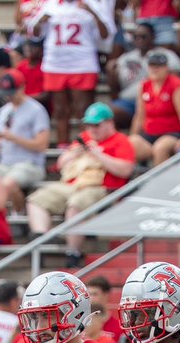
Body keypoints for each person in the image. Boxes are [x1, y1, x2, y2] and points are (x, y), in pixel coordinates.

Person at [28, 102, 135, 271]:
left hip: (100, 188)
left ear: (109, 123)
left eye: (96, 125)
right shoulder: (84, 138)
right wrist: (73, 153)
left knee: (76, 204)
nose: (92, 129)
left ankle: (73, 252)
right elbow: (60, 164)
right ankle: (42, 238)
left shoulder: (120, 141)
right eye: (89, 125)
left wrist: (99, 155)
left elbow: (125, 170)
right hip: (73, 184)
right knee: (36, 199)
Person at [36, 0, 108, 145]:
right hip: (55, 64)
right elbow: (35, 33)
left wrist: (92, 13)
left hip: (82, 64)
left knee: (83, 111)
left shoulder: (91, 4)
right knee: (60, 110)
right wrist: (41, 21)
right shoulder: (50, 4)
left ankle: (86, 146)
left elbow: (105, 34)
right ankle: (62, 146)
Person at [0, 71, 50, 213]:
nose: (8, 96)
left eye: (12, 92)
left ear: (22, 88)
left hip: (31, 164)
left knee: (7, 183)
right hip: (5, 163)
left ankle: (19, 213)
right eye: (6, 92)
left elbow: (42, 144)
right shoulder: (3, 111)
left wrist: (14, 138)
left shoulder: (36, 110)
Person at [111, 22, 180, 129]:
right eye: (135, 37)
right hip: (128, 101)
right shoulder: (126, 57)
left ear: (153, 37)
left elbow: (178, 80)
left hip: (156, 100)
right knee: (108, 113)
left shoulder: (166, 55)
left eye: (143, 36)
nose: (139, 39)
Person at [130, 51, 180, 165]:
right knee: (130, 143)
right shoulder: (145, 85)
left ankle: (159, 181)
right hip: (150, 132)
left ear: (166, 67)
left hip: (172, 132)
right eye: (152, 65)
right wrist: (134, 133)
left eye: (159, 66)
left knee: (160, 148)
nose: (155, 69)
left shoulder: (176, 85)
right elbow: (139, 115)